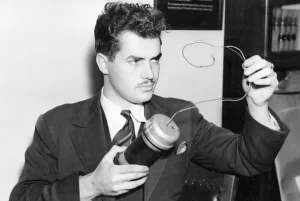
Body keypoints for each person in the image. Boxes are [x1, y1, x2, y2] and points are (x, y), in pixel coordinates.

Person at [9, 2, 289, 201]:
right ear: (103, 64)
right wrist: (90, 186)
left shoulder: (182, 116)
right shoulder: (56, 125)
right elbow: (22, 197)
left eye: (155, 59)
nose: (150, 74)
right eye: (135, 61)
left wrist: (258, 104)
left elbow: (249, 160)